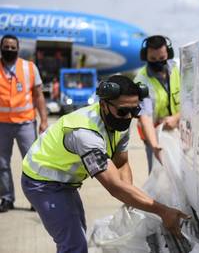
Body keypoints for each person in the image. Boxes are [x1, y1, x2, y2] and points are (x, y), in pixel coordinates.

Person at [21, 75, 189, 253]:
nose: (130, 117)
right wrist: (162, 211)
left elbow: (121, 162)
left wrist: (130, 196)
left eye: (135, 110)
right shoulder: (85, 134)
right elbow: (114, 187)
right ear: (103, 105)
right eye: (124, 111)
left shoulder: (118, 123)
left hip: (66, 182)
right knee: (74, 245)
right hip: (43, 181)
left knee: (77, 234)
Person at [0, 34, 48, 212]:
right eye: (6, 46)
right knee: (2, 164)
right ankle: (6, 198)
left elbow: (39, 95)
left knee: (32, 162)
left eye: (13, 47)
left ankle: (35, 199)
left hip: (25, 124)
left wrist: (43, 120)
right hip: (1, 124)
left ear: (18, 49)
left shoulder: (29, 67)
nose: (10, 50)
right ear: (1, 47)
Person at [134, 35, 181, 173]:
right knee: (158, 174)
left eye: (161, 58)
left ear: (168, 54)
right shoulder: (142, 81)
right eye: (153, 59)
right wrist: (155, 146)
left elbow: (191, 100)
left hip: (179, 130)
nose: (158, 63)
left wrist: (176, 118)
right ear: (145, 56)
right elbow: (145, 116)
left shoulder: (177, 70)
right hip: (154, 135)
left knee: (180, 172)